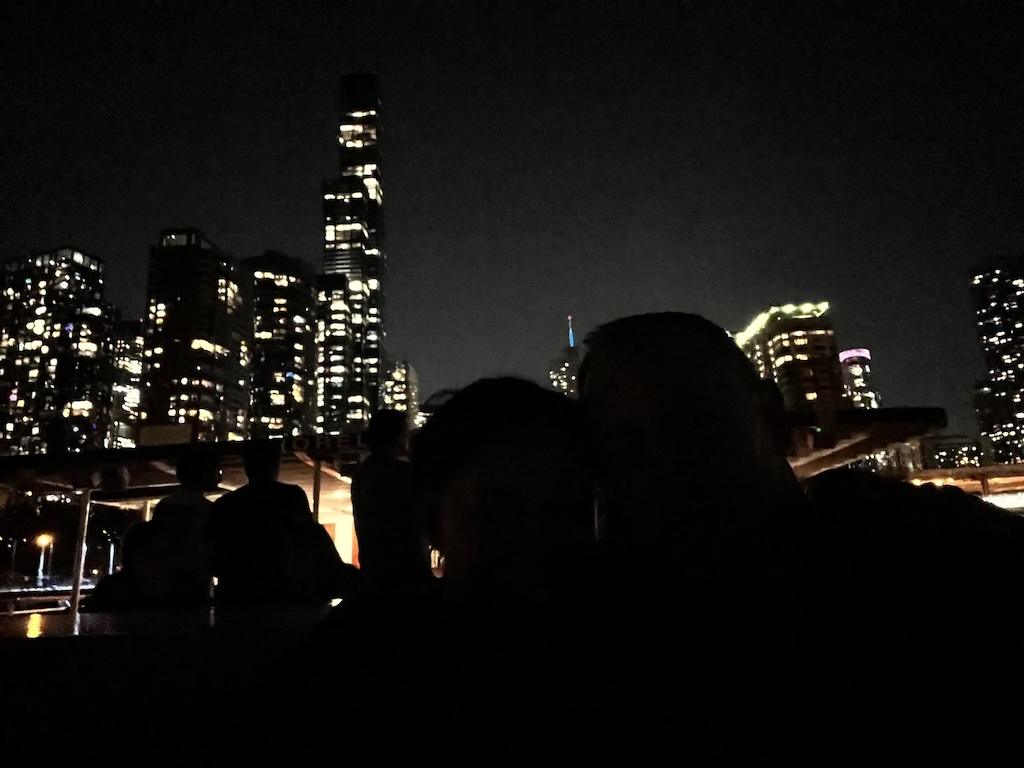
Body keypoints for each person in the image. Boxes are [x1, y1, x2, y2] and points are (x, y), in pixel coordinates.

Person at [579, 312, 1024, 763]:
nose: (665, 466)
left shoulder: (929, 554)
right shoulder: (606, 641)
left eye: (691, 425)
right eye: (624, 447)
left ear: (770, 419)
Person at [317, 378, 598, 760]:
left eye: (565, 510)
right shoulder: (622, 662)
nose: (533, 538)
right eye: (496, 510)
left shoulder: (352, 660)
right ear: (431, 513)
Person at [208, 440, 357, 603]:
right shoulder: (291, 497)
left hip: (238, 596)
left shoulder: (226, 504)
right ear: (275, 465)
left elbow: (214, 558)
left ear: (247, 466)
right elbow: (311, 538)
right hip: (286, 593)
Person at [352, 409, 431, 591]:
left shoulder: (361, 474)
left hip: (374, 570)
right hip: (409, 569)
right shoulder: (404, 472)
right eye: (404, 433)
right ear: (397, 436)